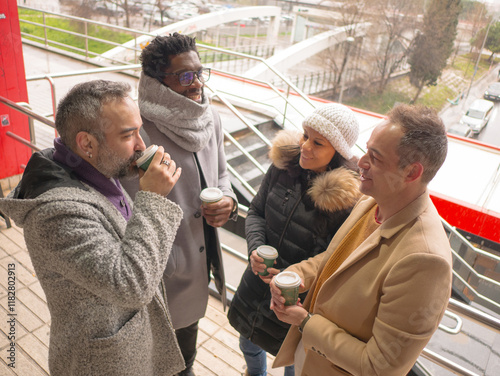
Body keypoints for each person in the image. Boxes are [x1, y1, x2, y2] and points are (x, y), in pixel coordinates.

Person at [0, 80, 186, 376]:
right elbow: (131, 285)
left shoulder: (96, 167)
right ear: (86, 144)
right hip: (104, 362)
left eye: (139, 131)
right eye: (128, 135)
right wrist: (151, 197)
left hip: (132, 345)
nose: (141, 145)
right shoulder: (56, 213)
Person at [269, 104, 453, 376]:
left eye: (375, 158)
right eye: (366, 150)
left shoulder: (426, 261)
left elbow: (380, 367)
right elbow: (339, 258)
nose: (360, 162)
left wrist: (307, 323)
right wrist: (297, 274)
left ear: (412, 173)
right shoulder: (372, 201)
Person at [123, 33, 238, 376]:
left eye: (200, 73)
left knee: (185, 359)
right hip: (159, 274)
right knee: (152, 362)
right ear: (157, 83)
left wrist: (228, 202)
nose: (198, 83)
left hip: (199, 269)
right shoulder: (136, 131)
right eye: (186, 76)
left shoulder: (210, 118)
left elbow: (221, 174)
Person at [228, 103, 362, 376]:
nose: (304, 146)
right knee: (248, 340)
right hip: (256, 284)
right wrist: (255, 248)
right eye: (304, 135)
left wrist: (295, 278)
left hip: (296, 298)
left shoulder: (345, 202)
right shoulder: (282, 168)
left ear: (338, 152)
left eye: (318, 142)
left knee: (292, 360)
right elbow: (256, 212)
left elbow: (334, 258)